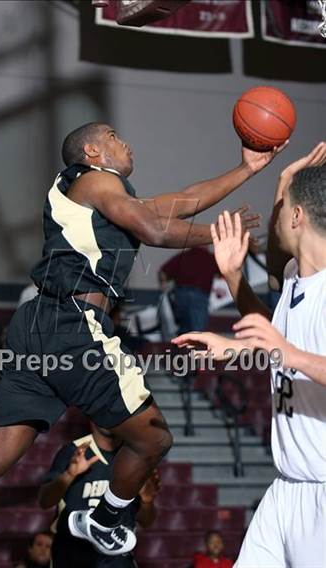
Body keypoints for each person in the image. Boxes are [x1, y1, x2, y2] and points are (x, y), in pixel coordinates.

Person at [0, 122, 285, 566]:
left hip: (35, 325)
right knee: (154, 440)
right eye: (112, 136)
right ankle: (105, 518)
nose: (124, 141)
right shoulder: (95, 180)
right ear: (92, 151)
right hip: (74, 322)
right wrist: (221, 236)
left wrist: (245, 168)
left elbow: (182, 200)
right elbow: (155, 230)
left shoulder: (98, 195)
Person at [172, 144, 326, 568]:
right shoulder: (297, 280)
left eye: (282, 208)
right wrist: (236, 340)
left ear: (297, 218)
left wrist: (286, 352)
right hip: (287, 488)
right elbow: (277, 337)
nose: (273, 217)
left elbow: (287, 349)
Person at [39, 422, 160, 567]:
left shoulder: (134, 457)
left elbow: (147, 521)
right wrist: (69, 475)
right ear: (92, 415)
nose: (109, 417)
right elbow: (45, 501)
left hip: (117, 560)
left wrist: (147, 501)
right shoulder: (73, 451)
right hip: (73, 556)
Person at [159, 246, 219, 333]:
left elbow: (163, 272)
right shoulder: (210, 258)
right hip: (199, 295)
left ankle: (183, 345)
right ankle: (195, 346)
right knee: (198, 331)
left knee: (183, 328)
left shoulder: (183, 256)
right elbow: (225, 272)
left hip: (180, 295)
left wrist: (163, 285)